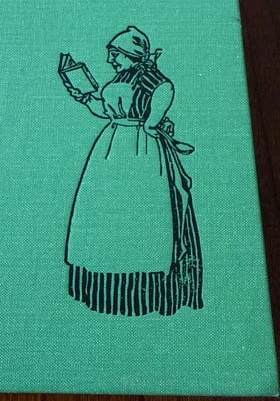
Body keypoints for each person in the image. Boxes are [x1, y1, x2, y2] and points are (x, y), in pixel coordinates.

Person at [63, 26, 203, 316]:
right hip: (113, 146)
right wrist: (84, 95)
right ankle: (105, 281)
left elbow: (151, 122)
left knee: (141, 208)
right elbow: (108, 109)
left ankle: (144, 288)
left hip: (141, 151)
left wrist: (156, 125)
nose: (110, 61)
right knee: (105, 208)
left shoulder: (157, 83)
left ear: (129, 54)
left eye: (115, 55)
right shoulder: (123, 77)